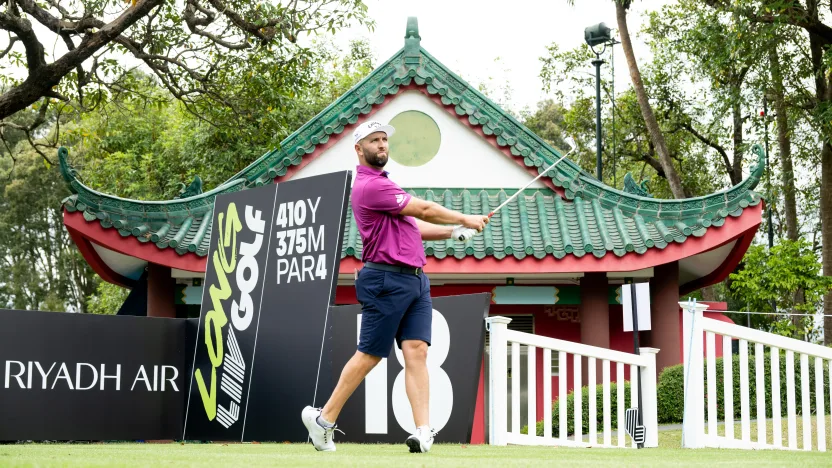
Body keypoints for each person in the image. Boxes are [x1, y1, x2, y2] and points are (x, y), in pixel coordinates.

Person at [302, 120, 489, 453]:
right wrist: (464, 219)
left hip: (416, 279)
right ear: (359, 149)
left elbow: (412, 226)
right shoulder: (370, 186)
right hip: (385, 278)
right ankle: (323, 420)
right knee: (370, 354)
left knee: (417, 350)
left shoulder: (387, 185)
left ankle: (422, 431)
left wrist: (451, 233)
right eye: (374, 140)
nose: (382, 145)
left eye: (385, 139)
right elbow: (425, 209)